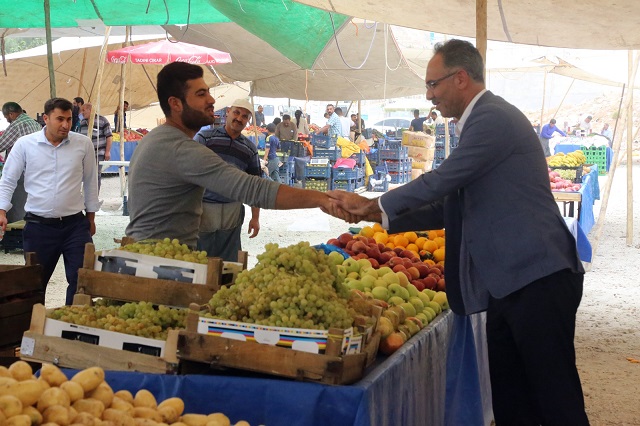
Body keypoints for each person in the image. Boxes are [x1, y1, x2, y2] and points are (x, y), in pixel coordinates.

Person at [327, 39, 589, 425]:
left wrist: (373, 204)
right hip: (510, 283)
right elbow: (448, 206)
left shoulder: (492, 118)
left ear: (461, 78)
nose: (428, 95)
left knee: (554, 401)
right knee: (514, 400)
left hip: (538, 277)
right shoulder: (478, 124)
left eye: (433, 84)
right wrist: (374, 215)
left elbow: (441, 181)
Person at [124, 61, 350, 249]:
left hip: (157, 253)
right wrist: (324, 198)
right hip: (157, 263)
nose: (212, 100)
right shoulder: (182, 148)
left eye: (209, 93)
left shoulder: (155, 139)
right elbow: (252, 189)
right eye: (201, 94)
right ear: (175, 104)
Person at [0, 97, 99, 305]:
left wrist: (91, 217)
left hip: (75, 226)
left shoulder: (83, 144)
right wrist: (1, 210)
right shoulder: (25, 145)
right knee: (34, 284)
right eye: (59, 119)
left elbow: (91, 182)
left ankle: (73, 328)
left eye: (69, 119)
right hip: (38, 227)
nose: (65, 125)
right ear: (46, 118)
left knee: (82, 280)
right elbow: (8, 179)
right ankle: (34, 330)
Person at [193, 99, 263, 262]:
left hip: (232, 209)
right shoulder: (205, 138)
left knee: (229, 258)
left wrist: (255, 217)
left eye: (244, 116)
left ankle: (228, 286)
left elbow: (255, 184)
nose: (239, 118)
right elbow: (189, 172)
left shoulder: (249, 149)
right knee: (201, 257)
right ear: (228, 112)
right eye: (236, 113)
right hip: (205, 207)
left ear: (247, 122)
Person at [0, 102, 43, 223]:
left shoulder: (17, 124)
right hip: (36, 169)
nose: (7, 120)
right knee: (27, 202)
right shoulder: (34, 123)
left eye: (6, 117)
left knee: (16, 205)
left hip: (21, 170)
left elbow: (1, 144)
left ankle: (15, 233)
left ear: (11, 114)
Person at [78, 103, 112, 193]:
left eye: (83, 110)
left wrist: (107, 151)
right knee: (86, 175)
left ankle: (94, 196)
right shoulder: (82, 122)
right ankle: (87, 195)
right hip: (85, 154)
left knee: (96, 174)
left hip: (98, 152)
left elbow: (109, 136)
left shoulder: (102, 120)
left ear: (90, 110)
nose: (82, 112)